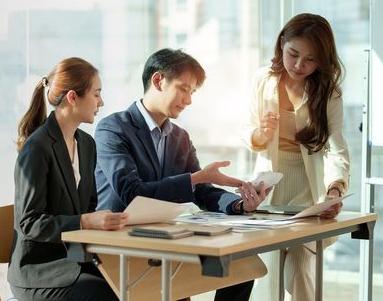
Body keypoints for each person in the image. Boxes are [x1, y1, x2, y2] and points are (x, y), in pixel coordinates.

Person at [94, 48, 270, 301]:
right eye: (183, 89)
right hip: (120, 241)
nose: (188, 100)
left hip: (165, 240)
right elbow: (131, 192)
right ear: (158, 80)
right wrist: (197, 177)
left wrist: (240, 203)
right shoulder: (113, 128)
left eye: (193, 92)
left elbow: (200, 191)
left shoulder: (179, 137)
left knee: (241, 263)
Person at [241, 13, 350, 300]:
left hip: (310, 190)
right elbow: (246, 130)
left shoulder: (328, 92)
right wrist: (261, 135)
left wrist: (335, 188)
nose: (300, 65)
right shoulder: (263, 80)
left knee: (300, 268)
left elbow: (335, 145)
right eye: (293, 54)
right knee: (270, 275)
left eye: (311, 59)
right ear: (281, 45)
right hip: (270, 187)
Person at [9, 57, 128, 301]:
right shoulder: (37, 148)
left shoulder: (86, 145)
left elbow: (89, 205)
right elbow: (30, 223)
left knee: (139, 281)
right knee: (109, 294)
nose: (101, 102)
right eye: (96, 94)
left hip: (77, 260)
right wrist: (85, 221)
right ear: (73, 97)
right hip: (40, 271)